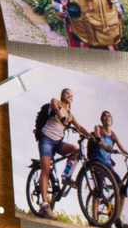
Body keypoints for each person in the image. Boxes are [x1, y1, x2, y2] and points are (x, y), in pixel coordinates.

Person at [36, 86, 91, 218]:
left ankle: (65, 176)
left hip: (58, 142)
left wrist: (92, 137)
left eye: (71, 95)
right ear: (62, 95)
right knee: (46, 170)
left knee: (76, 151)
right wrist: (61, 118)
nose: (69, 96)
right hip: (46, 140)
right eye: (67, 93)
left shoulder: (70, 115)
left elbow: (80, 127)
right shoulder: (55, 102)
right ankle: (44, 205)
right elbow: (56, 109)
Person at [90, 110, 128, 228]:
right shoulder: (98, 128)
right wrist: (105, 146)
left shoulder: (113, 135)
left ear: (111, 120)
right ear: (101, 119)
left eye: (109, 116)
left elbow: (122, 149)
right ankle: (94, 220)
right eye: (104, 116)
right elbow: (98, 138)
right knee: (99, 189)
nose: (107, 118)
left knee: (122, 188)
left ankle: (116, 217)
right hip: (97, 163)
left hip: (108, 165)